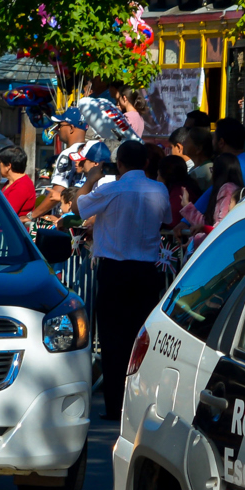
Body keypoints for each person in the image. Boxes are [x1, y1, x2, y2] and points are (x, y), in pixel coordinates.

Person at [77, 139, 172, 421]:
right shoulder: (159, 189)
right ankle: (140, 404)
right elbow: (166, 218)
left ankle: (115, 405)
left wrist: (90, 179)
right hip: (146, 272)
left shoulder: (112, 189)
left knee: (112, 339)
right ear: (146, 163)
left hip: (115, 272)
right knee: (141, 339)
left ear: (119, 164)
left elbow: (80, 206)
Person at [0, 145, 37, 217]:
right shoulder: (10, 182)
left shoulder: (22, 186)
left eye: (0, 163)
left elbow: (5, 213)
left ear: (8, 166)